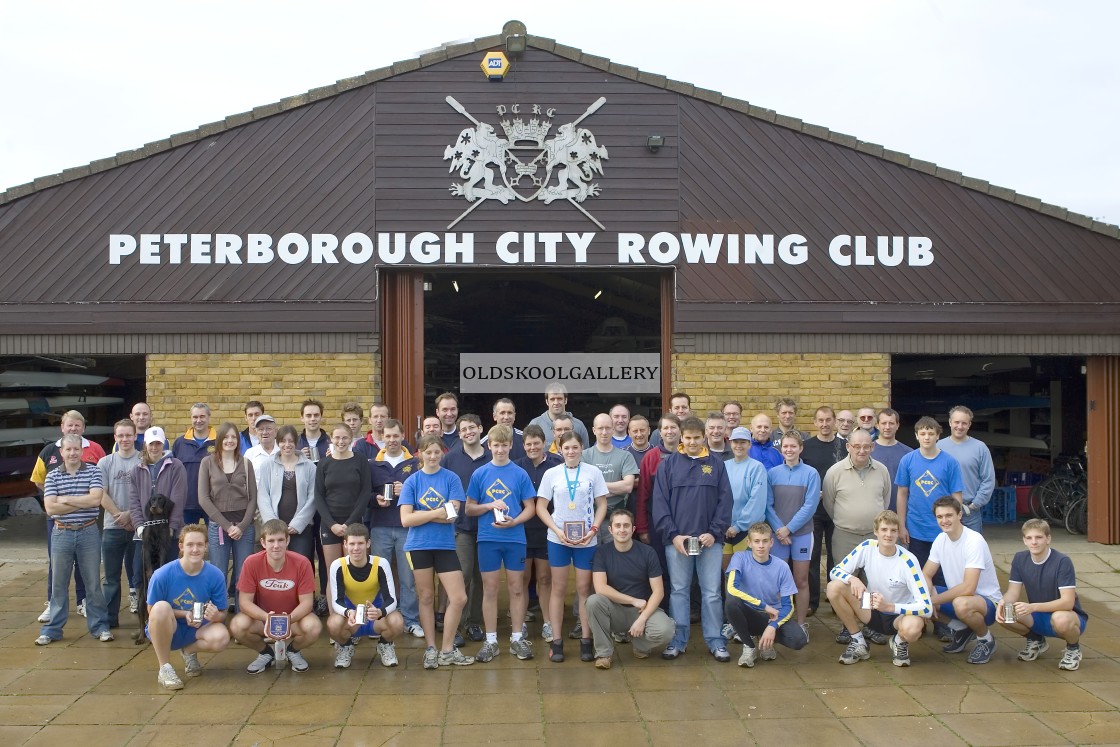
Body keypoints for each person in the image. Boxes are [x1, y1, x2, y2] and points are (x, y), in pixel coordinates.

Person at [653, 416, 733, 662]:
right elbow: (659, 503)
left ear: (704, 437)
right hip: (678, 543)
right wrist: (674, 535)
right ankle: (678, 641)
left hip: (710, 541)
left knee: (711, 593)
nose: (692, 442)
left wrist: (714, 532)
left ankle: (716, 641)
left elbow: (725, 501)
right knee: (678, 592)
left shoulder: (717, 465)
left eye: (696, 438)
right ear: (681, 438)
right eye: (687, 438)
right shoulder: (668, 466)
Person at [400, 434, 475, 669]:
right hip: (418, 546)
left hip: (444, 545)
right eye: (428, 452)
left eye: (436, 452)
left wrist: (422, 514)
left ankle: (447, 649)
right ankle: (431, 648)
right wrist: (436, 513)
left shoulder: (451, 479)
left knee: (459, 597)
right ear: (419, 454)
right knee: (426, 597)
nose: (432, 456)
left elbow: (453, 514)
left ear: (442, 453)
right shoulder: (412, 481)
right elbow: (405, 520)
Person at [466, 424, 539, 662]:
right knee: (490, 589)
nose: (500, 449)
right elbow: (469, 508)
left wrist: (514, 521)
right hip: (488, 538)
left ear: (510, 445)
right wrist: (489, 505)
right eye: (495, 445)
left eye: (504, 445)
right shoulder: (480, 474)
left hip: (515, 538)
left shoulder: (519, 473)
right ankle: (491, 641)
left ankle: (517, 638)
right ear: (489, 446)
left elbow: (531, 507)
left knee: (517, 588)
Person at [537, 431, 608, 662]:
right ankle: (556, 642)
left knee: (584, 590)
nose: (570, 452)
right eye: (566, 448)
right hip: (558, 539)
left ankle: (586, 640)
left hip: (586, 539)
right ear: (559, 448)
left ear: (581, 448)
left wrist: (594, 530)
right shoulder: (551, 474)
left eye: (575, 447)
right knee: (558, 589)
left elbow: (602, 503)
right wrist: (556, 530)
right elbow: (541, 507)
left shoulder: (593, 472)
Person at [826, 510, 931, 667]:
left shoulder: (909, 561)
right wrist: (852, 578)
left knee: (913, 628)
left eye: (893, 530)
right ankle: (858, 641)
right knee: (833, 587)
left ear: (898, 532)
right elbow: (834, 572)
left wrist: (888, 606)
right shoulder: (867, 547)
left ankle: (900, 642)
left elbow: (927, 608)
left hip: (899, 615)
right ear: (876, 531)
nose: (888, 535)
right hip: (871, 608)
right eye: (884, 529)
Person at [35, 434, 113, 645]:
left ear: (81, 450)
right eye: (68, 450)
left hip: (88, 533)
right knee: (58, 584)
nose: (72, 453)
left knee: (93, 584)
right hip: (61, 533)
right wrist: (82, 501)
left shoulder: (94, 471)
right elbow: (50, 508)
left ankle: (99, 627)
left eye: (76, 449)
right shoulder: (52, 476)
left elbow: (96, 500)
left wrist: (66, 499)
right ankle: (52, 630)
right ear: (61, 452)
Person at [145, 523, 231, 690]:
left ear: (206, 546)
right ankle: (165, 668)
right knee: (161, 607)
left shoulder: (215, 574)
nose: (195, 549)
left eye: (200, 544)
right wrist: (184, 614)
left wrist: (216, 616)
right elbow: (151, 611)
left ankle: (188, 651)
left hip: (197, 628)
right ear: (181, 546)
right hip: (169, 626)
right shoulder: (162, 574)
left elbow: (223, 613)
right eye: (190, 544)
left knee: (221, 637)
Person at [230, 519, 322, 673]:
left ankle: (293, 651)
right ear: (263, 542)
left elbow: (307, 603)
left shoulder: (302, 562)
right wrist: (268, 619)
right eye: (271, 541)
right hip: (263, 620)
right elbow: (244, 602)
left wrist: (285, 621)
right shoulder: (251, 562)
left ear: (288, 540)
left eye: (280, 540)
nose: (276, 545)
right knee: (237, 626)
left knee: (314, 627)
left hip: (293, 619)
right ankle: (266, 653)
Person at [587, 508, 675, 668]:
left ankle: (640, 645)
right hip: (614, 609)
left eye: (626, 526)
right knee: (593, 602)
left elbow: (658, 591)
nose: (622, 530)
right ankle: (604, 654)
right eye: (618, 525)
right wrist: (633, 600)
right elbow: (600, 588)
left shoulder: (648, 552)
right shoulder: (602, 553)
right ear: (610, 529)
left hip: (642, 611)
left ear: (633, 529)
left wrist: (642, 619)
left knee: (666, 630)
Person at [997, 518, 1087, 671]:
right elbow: (1013, 592)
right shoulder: (1020, 559)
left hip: (1068, 616)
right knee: (1004, 612)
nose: (1034, 542)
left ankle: (1073, 648)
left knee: (1060, 618)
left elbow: (1067, 602)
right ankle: (1036, 640)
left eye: (1038, 537)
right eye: (1029, 538)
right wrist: (1002, 601)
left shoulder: (1062, 561)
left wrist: (1032, 607)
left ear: (1048, 539)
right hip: (1038, 614)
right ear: (1024, 540)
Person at [924, 497, 1002, 664]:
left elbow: (968, 587)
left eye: (949, 515)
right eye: (939, 517)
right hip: (961, 598)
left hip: (987, 603)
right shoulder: (940, 540)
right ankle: (963, 629)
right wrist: (926, 599)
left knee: (961, 603)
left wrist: (933, 600)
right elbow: (926, 575)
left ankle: (986, 640)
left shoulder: (974, 541)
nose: (944, 521)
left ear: (959, 515)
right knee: (920, 595)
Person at [369, 418, 424, 646]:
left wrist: (407, 492)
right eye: (387, 436)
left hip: (406, 528)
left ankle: (410, 619)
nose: (391, 440)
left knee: (408, 577)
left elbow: (424, 496)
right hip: (380, 526)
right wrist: (376, 499)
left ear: (403, 437)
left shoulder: (415, 464)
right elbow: (365, 494)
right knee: (379, 577)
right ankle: (378, 619)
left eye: (395, 436)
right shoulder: (372, 464)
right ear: (382, 437)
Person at [723, 522, 807, 667]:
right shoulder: (740, 557)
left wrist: (773, 626)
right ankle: (749, 646)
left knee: (799, 640)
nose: (761, 545)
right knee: (731, 602)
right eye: (756, 541)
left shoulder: (782, 566)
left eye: (765, 541)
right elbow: (732, 588)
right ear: (749, 543)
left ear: (771, 542)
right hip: (749, 613)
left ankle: (766, 639)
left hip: (771, 616)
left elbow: (788, 606)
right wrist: (764, 606)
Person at [326, 523, 405, 669]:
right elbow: (336, 601)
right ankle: (345, 646)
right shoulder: (338, 565)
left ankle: (385, 645)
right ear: (345, 544)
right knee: (333, 624)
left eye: (360, 543)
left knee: (397, 621)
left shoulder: (381, 563)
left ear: (368, 543)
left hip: (375, 619)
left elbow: (391, 600)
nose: (356, 548)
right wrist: (349, 612)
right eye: (352, 543)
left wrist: (380, 612)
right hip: (351, 621)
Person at [197, 421, 258, 608]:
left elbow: (253, 498)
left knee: (243, 575)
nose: (230, 440)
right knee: (218, 573)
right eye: (227, 437)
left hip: (244, 527)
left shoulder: (246, 463)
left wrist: (241, 526)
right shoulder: (207, 463)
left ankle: (243, 618)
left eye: (234, 437)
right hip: (219, 527)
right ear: (220, 439)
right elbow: (203, 498)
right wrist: (227, 526)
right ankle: (218, 617)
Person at [765, 430, 820, 637]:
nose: (789, 450)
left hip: (802, 534)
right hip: (777, 535)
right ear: (781, 449)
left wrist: (789, 529)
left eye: (793, 446)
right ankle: (778, 621)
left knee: (801, 580)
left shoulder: (811, 473)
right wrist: (780, 530)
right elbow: (768, 505)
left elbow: (810, 505)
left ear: (801, 448)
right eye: (785, 446)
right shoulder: (773, 473)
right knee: (778, 581)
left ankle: (801, 623)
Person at [442, 414, 490, 644]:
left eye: (472, 427)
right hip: (461, 528)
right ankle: (458, 627)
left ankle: (473, 623)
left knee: (481, 577)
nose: (468, 432)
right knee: (463, 575)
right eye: (464, 429)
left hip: (488, 527)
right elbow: (441, 487)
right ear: (459, 434)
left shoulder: (492, 457)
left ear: (481, 429)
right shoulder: (450, 458)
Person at [895, 417, 965, 569]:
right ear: (916, 435)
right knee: (917, 573)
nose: (927, 437)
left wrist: (957, 524)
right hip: (915, 528)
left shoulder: (950, 462)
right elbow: (902, 494)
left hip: (943, 528)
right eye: (923, 433)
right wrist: (902, 525)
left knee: (943, 575)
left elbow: (957, 495)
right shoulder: (907, 460)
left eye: (931, 433)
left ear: (938, 435)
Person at [514, 424, 562, 643]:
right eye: (528, 444)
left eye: (536, 443)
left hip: (547, 531)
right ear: (523, 445)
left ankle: (548, 623)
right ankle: (521, 622)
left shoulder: (557, 464)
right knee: (522, 579)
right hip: (521, 531)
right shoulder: (517, 467)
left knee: (544, 578)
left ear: (544, 443)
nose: (532, 447)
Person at [315, 423, 372, 595]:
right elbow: (318, 496)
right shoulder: (324, 464)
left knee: (353, 572)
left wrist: (349, 524)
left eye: (345, 437)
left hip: (354, 524)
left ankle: (355, 615)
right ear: (331, 439)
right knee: (334, 572)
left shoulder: (360, 460)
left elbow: (365, 493)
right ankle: (335, 617)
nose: (341, 441)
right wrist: (332, 524)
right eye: (337, 437)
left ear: (351, 439)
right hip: (329, 524)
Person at [800, 406, 847, 616]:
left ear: (835, 421)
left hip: (839, 510)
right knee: (813, 555)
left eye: (828, 420)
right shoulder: (807, 447)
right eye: (820, 420)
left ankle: (836, 597)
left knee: (837, 557)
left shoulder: (845, 447)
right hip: (814, 511)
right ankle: (811, 601)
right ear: (814, 422)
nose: (825, 424)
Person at [822, 430, 892, 568]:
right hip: (845, 538)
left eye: (866, 446)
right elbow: (829, 503)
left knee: (873, 582)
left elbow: (885, 500)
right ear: (848, 447)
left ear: (872, 447)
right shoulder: (834, 472)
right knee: (845, 581)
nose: (862, 450)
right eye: (857, 446)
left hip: (874, 537)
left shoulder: (882, 470)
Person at [98, 419, 142, 627]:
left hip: (138, 528)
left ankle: (146, 619)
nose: (125, 439)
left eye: (128, 435)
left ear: (135, 436)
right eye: (120, 435)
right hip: (112, 528)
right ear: (115, 438)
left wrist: (131, 516)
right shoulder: (105, 463)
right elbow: (101, 493)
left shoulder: (144, 461)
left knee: (140, 577)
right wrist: (119, 515)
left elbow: (147, 495)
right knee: (111, 578)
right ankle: (109, 620)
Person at [635, 414, 681, 606]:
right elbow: (643, 495)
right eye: (665, 428)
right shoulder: (651, 458)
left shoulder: (689, 456)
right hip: (657, 526)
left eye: (673, 427)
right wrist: (643, 528)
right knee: (659, 571)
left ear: (680, 430)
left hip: (683, 525)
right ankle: (660, 611)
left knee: (681, 574)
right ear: (659, 432)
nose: (669, 431)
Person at [258, 425, 318, 567]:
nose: (287, 445)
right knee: (275, 565)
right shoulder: (267, 465)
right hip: (274, 529)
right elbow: (263, 496)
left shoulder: (309, 466)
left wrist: (297, 524)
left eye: (291, 441)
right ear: (278, 442)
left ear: (296, 442)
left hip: (300, 528)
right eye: (283, 441)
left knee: (301, 565)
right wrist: (274, 524)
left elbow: (313, 498)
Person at [129, 426, 188, 564]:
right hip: (146, 532)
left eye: (158, 443)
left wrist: (172, 527)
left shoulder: (176, 466)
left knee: (169, 573)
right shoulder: (136, 470)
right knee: (141, 576)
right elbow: (134, 500)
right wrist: (139, 526)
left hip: (170, 532)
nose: (154, 448)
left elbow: (178, 499)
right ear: (145, 445)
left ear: (164, 444)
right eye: (151, 444)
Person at [938, 406, 996, 533]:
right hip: (943, 510)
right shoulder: (938, 447)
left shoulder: (980, 448)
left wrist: (975, 504)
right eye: (956, 422)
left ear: (969, 425)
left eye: (964, 423)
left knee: (973, 550)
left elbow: (988, 479)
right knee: (945, 550)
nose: (960, 426)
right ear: (950, 422)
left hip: (970, 512)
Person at [582, 413, 639, 538]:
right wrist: (616, 489)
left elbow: (628, 486)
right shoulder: (584, 456)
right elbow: (583, 488)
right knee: (592, 556)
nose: (604, 432)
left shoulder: (625, 456)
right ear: (594, 430)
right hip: (590, 518)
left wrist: (597, 488)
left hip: (616, 519)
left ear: (613, 429)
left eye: (608, 428)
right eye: (600, 428)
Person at [721, 426, 769, 572]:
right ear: (730, 443)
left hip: (746, 531)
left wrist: (738, 526)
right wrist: (723, 524)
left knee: (745, 574)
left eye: (743, 442)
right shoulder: (723, 466)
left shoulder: (757, 468)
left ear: (749, 444)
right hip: (725, 529)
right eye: (736, 442)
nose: (739, 445)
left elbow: (756, 501)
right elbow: (719, 497)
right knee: (727, 574)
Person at [171, 403, 216, 526]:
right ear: (191, 418)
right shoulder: (180, 443)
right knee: (188, 542)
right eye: (195, 417)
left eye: (202, 416)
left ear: (209, 417)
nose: (198, 420)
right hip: (187, 503)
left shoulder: (220, 442)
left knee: (216, 543)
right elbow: (172, 474)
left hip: (214, 503)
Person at [529, 382, 590, 447]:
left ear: (565, 400)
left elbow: (585, 455)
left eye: (559, 399)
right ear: (547, 402)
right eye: (552, 399)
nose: (556, 402)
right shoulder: (535, 424)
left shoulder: (578, 426)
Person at [873, 408, 912, 512]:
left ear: (897, 425)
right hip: (874, 512)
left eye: (891, 423)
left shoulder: (908, 453)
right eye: (883, 423)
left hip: (901, 512)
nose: (887, 427)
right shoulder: (867, 451)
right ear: (877, 425)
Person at [244, 414, 280, 489]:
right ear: (256, 432)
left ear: (276, 431)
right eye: (261, 429)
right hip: (258, 499)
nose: (264, 432)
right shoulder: (250, 454)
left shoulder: (283, 451)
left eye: (269, 428)